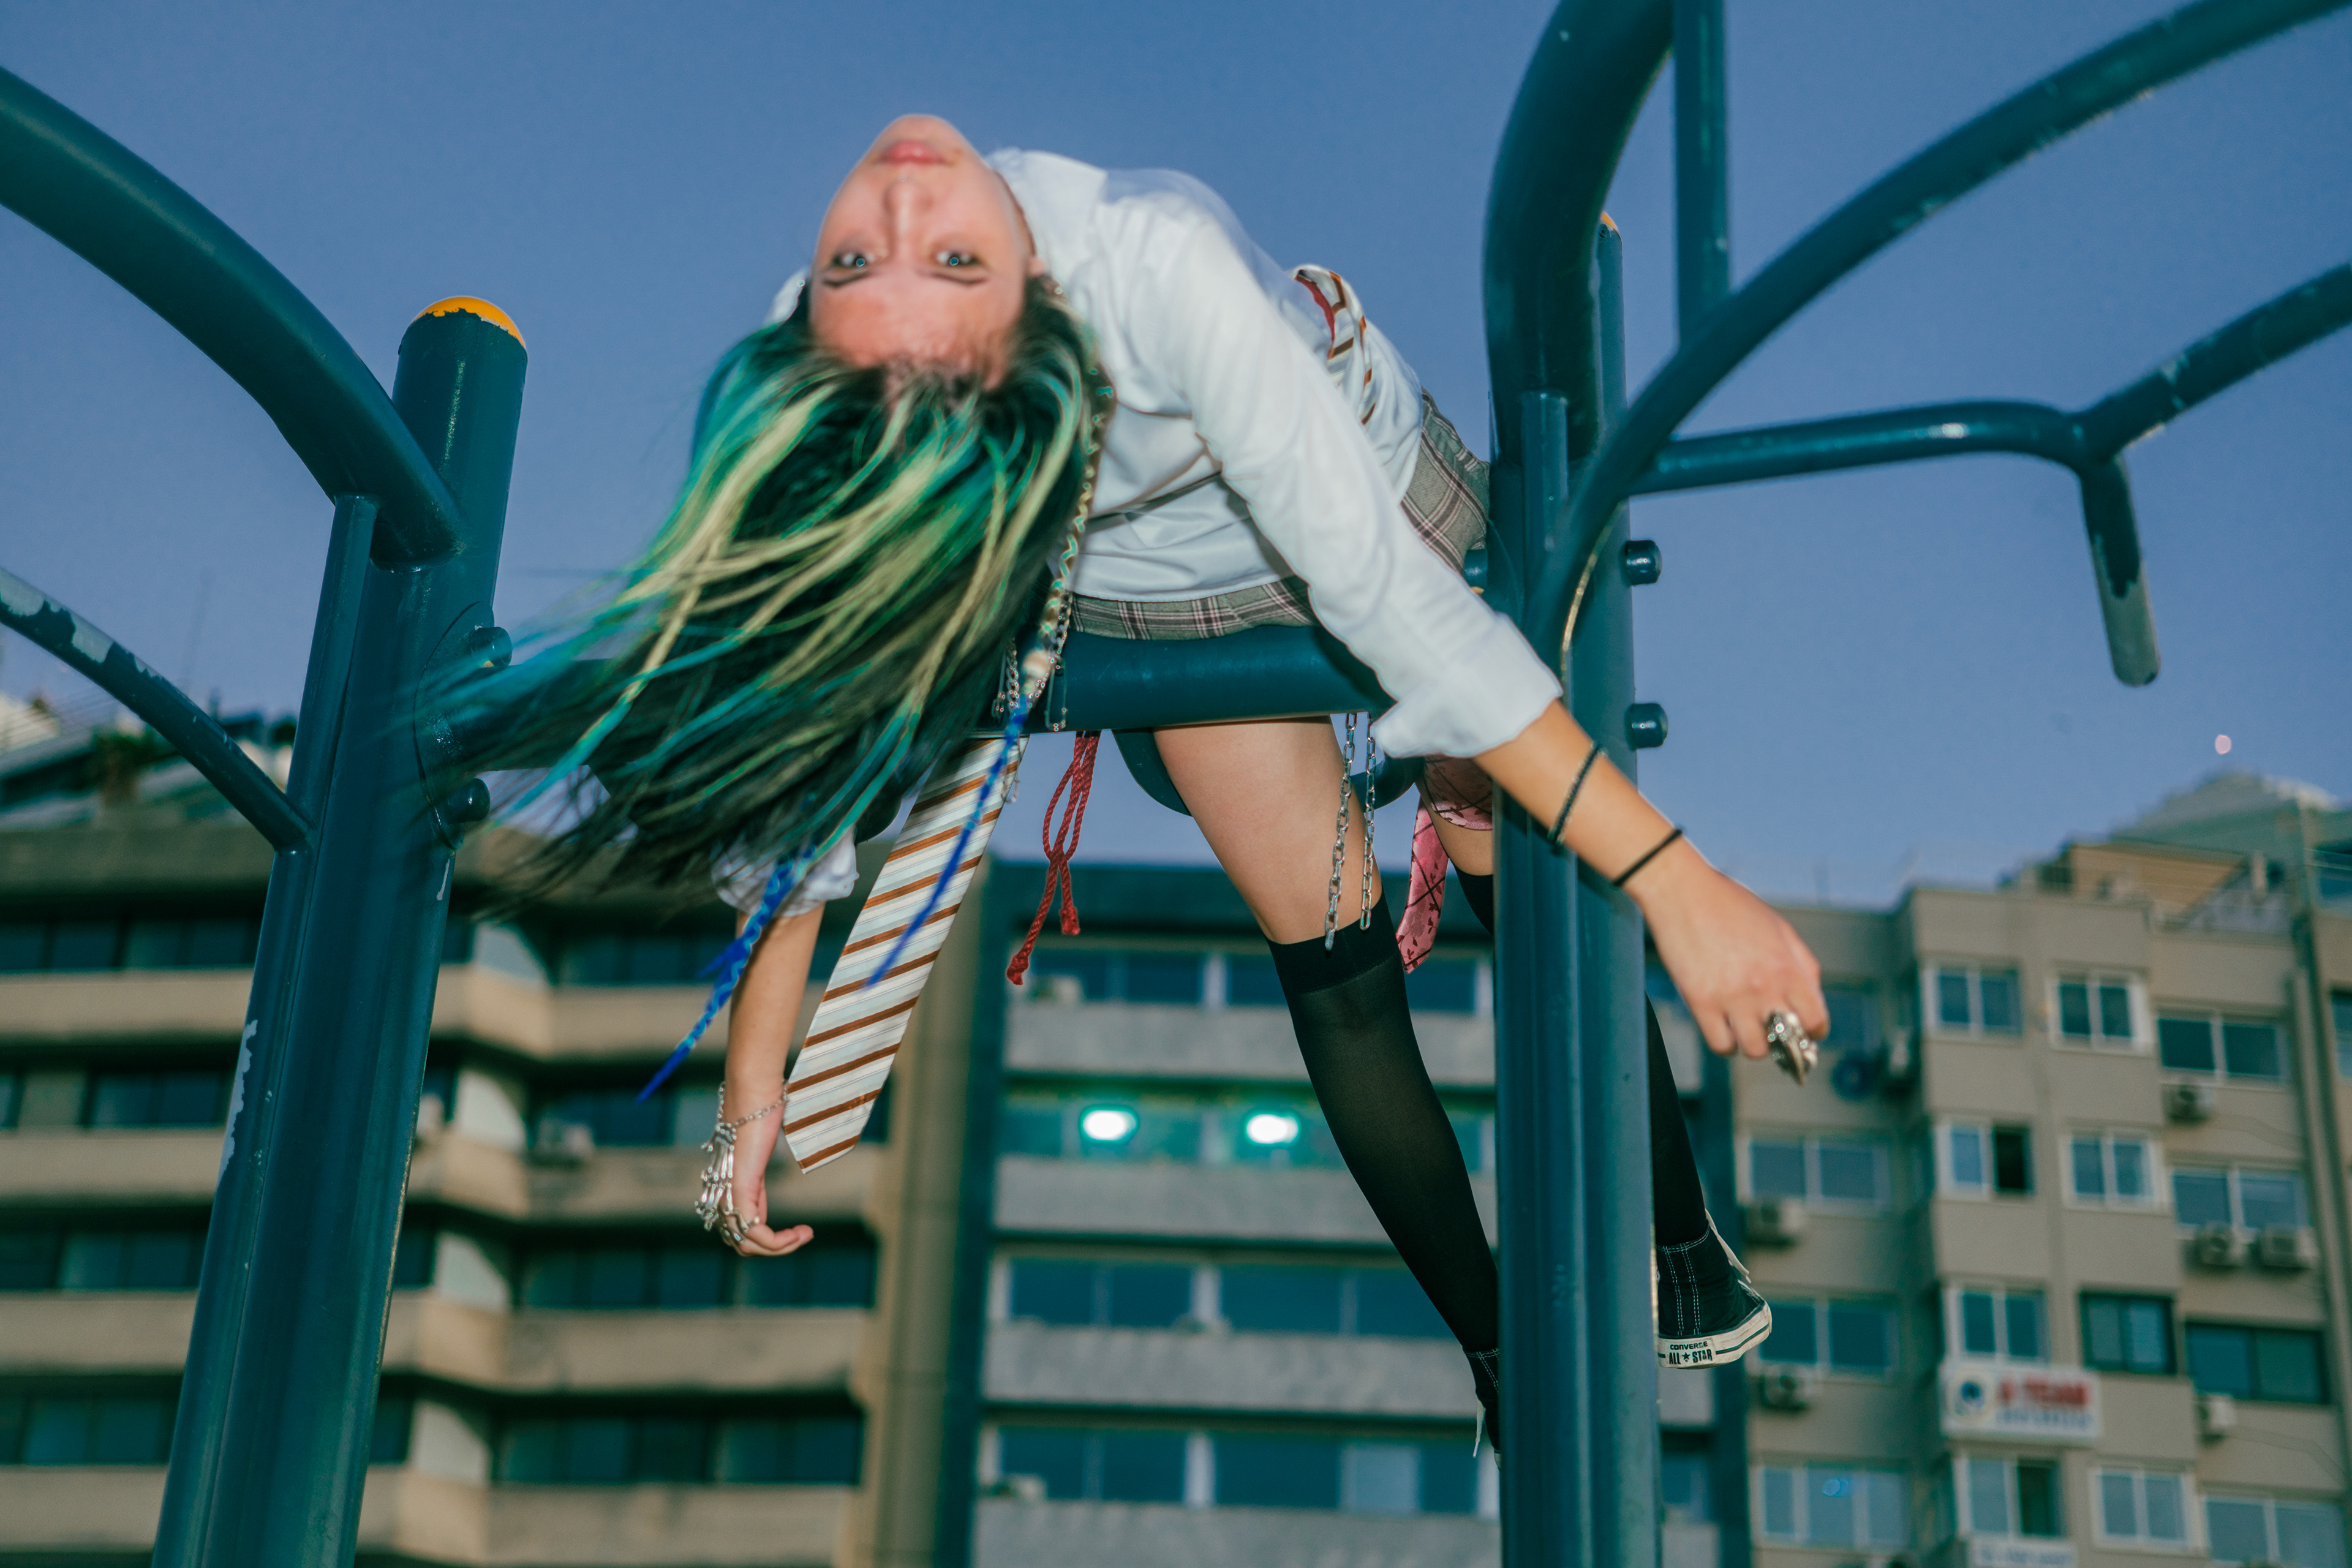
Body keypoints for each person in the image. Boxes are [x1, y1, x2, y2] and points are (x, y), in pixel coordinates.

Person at [499, 116, 1826, 1450]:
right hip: (1153, 595)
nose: (895, 216)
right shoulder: (874, 372)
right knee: (1336, 965)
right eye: (934, 263)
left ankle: (1679, 1242)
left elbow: (1398, 608)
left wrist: (1677, 883)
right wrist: (749, 1096)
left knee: (1504, 823)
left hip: (1352, 471)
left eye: (869, 261)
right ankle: (1499, 1353)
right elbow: (812, 740)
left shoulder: (1125, 268)